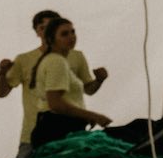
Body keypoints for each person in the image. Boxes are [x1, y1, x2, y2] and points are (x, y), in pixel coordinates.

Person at [0, 9, 105, 157]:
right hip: (41, 131)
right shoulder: (28, 59)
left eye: (51, 26)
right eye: (42, 28)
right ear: (37, 32)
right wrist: (2, 73)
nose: (46, 31)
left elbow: (88, 90)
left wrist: (99, 80)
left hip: (69, 129)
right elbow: (3, 92)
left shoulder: (75, 57)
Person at [27, 17, 111, 149]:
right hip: (57, 127)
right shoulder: (56, 62)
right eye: (64, 34)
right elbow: (55, 103)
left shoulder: (65, 59)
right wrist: (93, 116)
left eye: (73, 32)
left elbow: (87, 89)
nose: (71, 37)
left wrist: (99, 80)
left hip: (60, 126)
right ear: (51, 39)